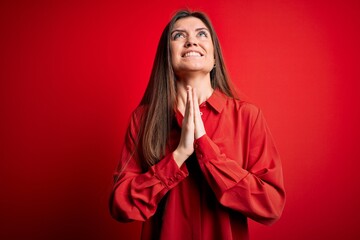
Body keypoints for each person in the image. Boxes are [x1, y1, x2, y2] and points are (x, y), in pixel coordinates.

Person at [109, 10, 285, 240]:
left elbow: (271, 205)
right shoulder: (142, 120)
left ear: (214, 58)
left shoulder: (248, 117)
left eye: (202, 34)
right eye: (179, 36)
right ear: (167, 57)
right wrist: (178, 155)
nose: (191, 40)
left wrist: (206, 150)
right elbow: (121, 205)